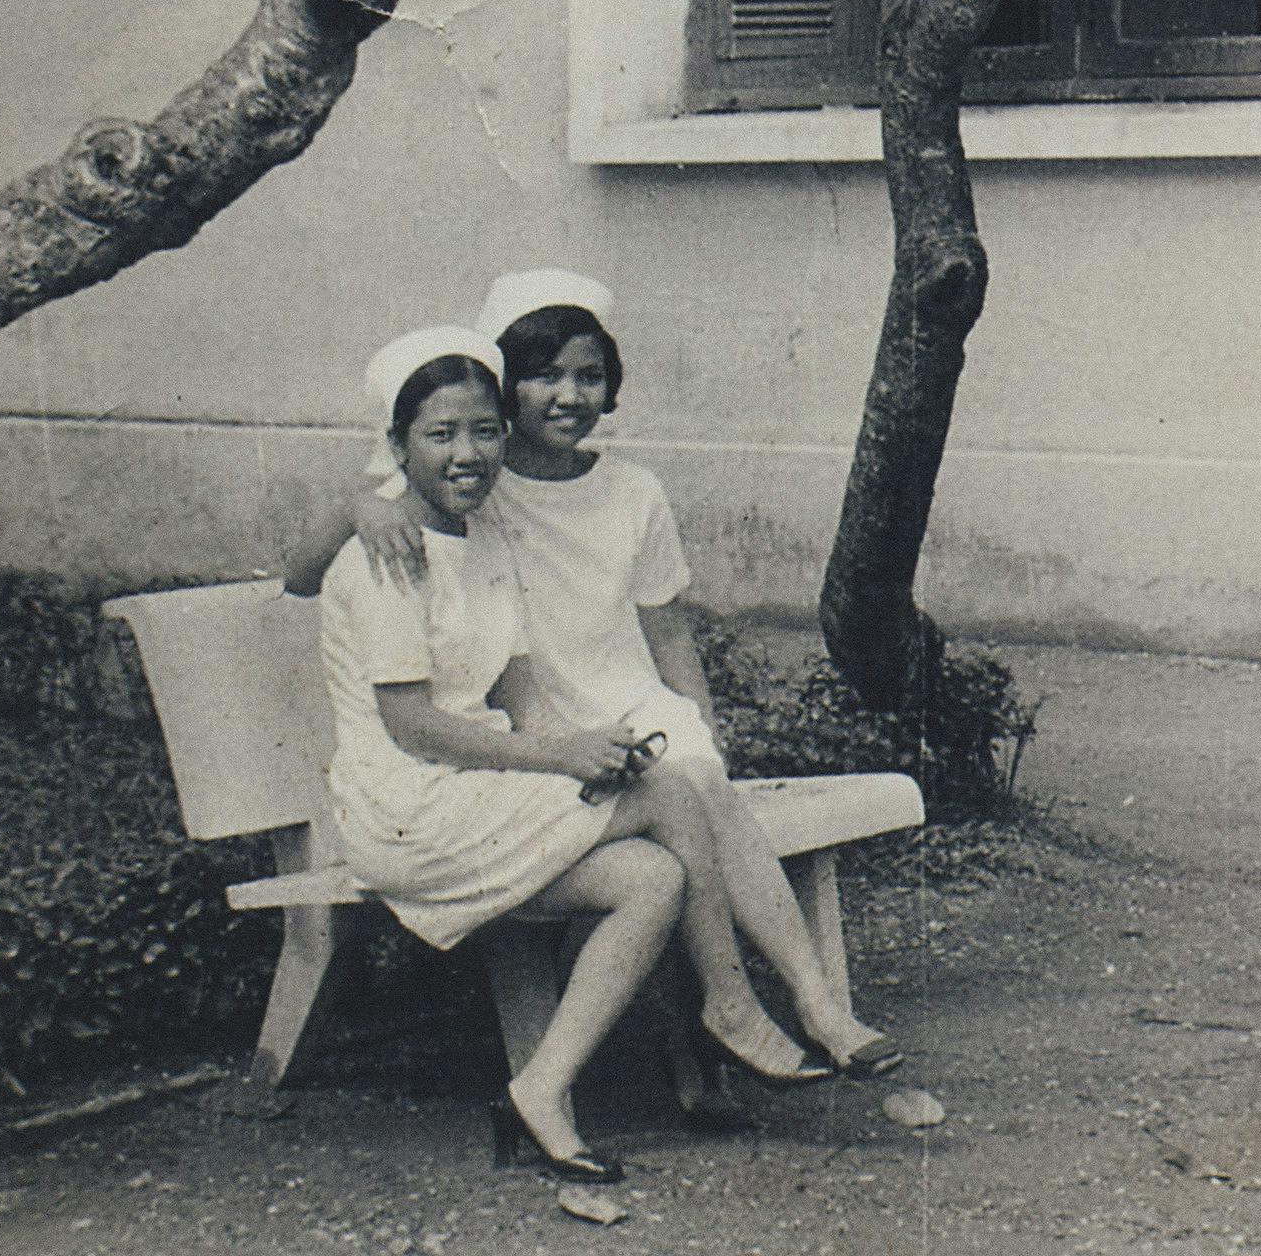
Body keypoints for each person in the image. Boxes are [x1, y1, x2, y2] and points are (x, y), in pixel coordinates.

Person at [297, 276, 903, 1083]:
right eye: (543, 376)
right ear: (508, 388)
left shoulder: (625, 489)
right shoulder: (478, 485)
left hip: (621, 706)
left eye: (589, 376)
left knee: (698, 779)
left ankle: (811, 1003)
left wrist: (702, 724)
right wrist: (360, 504)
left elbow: (668, 628)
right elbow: (355, 533)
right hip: (539, 718)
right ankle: (727, 1024)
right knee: (679, 801)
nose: (568, 396)